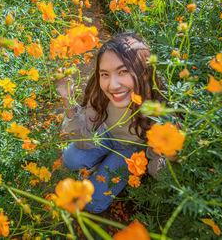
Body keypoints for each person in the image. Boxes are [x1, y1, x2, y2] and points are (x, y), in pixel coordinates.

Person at [55, 32, 168, 214]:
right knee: (70, 158)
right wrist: (68, 101)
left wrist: (169, 157)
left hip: (132, 150)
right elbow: (83, 137)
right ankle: (102, 163)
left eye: (123, 71)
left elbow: (158, 171)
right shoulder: (99, 95)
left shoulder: (159, 109)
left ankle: (105, 167)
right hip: (107, 134)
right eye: (105, 74)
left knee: (92, 204)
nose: (113, 85)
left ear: (144, 72)